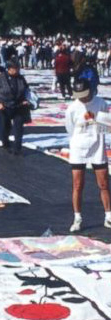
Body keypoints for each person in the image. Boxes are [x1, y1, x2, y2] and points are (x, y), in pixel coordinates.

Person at [65, 80, 111, 232]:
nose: (82, 99)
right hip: (78, 148)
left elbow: (106, 127)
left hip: (97, 147)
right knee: (78, 185)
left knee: (103, 184)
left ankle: (108, 216)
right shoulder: (72, 108)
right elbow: (70, 129)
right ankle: (77, 217)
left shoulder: (101, 104)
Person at [0, 57, 30, 154]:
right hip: (5, 106)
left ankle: (17, 148)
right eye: (15, 68)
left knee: (19, 128)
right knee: (5, 127)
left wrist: (26, 100)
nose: (17, 70)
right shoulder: (0, 78)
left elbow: (26, 90)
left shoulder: (21, 78)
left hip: (19, 106)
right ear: (9, 69)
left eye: (18, 68)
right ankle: (5, 143)